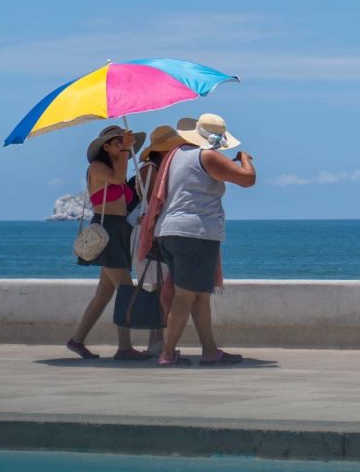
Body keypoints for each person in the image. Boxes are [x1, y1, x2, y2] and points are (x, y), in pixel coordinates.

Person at [153, 113, 256, 366]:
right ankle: (167, 353)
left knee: (200, 294)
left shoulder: (176, 155)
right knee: (185, 296)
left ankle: (210, 350)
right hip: (194, 233)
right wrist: (245, 160)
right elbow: (247, 179)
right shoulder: (207, 156)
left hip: (171, 231)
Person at [66, 125, 153, 361]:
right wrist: (126, 150)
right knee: (126, 289)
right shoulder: (97, 167)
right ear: (105, 147)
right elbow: (114, 178)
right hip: (107, 231)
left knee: (104, 294)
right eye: (117, 143)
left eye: (124, 142)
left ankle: (77, 340)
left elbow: (125, 202)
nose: (123, 146)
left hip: (120, 229)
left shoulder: (120, 171)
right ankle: (124, 348)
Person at [129, 125, 188, 354]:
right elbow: (156, 203)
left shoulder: (153, 169)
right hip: (151, 231)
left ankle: (158, 341)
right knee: (160, 286)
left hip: (150, 229)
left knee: (161, 287)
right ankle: (158, 342)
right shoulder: (152, 170)